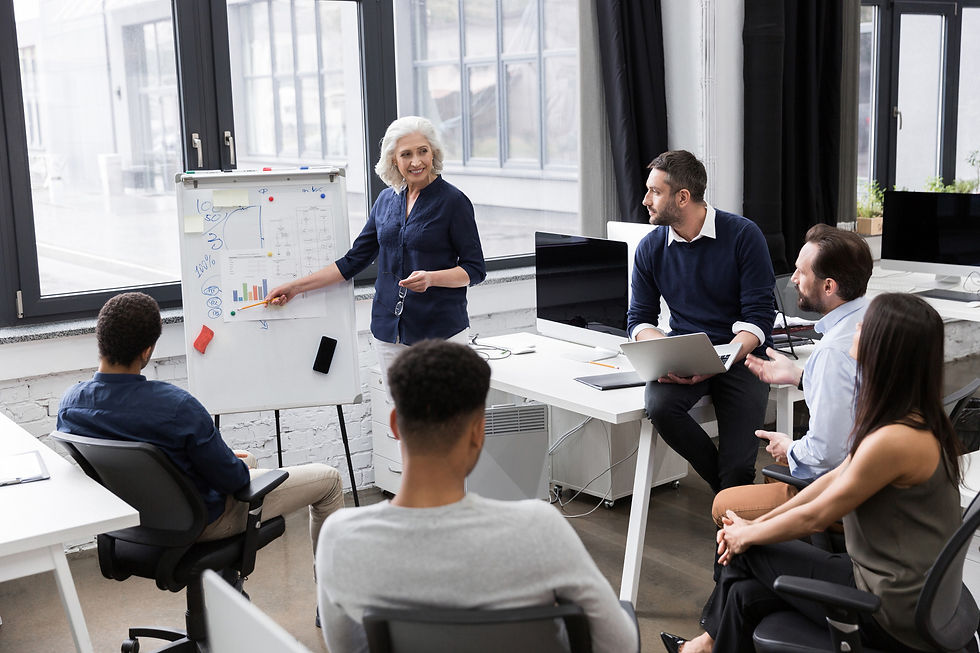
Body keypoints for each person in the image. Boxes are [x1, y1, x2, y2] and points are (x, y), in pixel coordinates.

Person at [660, 293, 964, 653]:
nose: (857, 326)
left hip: (890, 610)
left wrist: (747, 535)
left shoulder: (895, 439)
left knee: (746, 552)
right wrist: (753, 526)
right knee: (743, 595)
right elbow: (827, 484)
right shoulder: (906, 418)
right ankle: (704, 648)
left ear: (884, 347)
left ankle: (702, 647)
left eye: (866, 325)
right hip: (894, 587)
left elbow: (817, 515)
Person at [315, 340, 639, 653]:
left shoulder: (341, 538)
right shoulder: (539, 529)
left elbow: (350, 648)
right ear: (478, 431)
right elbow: (620, 645)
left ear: (395, 424)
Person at [57, 292, 344, 580]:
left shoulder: (70, 405)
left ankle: (228, 592)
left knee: (248, 458)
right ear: (146, 351)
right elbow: (235, 481)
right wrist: (230, 463)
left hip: (134, 522)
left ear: (101, 341)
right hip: (199, 524)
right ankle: (336, 598)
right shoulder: (175, 406)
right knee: (329, 481)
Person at [266, 115, 487, 380]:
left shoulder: (454, 202)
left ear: (433, 153)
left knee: (440, 408)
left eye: (423, 151)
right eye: (406, 154)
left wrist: (431, 278)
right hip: (388, 333)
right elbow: (353, 261)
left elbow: (475, 270)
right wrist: (295, 287)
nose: (416, 162)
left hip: (440, 334)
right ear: (394, 159)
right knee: (398, 407)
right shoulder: (385, 200)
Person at [628, 150, 775, 492]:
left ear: (683, 197)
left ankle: (732, 488)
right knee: (659, 407)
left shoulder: (743, 235)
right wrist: (663, 352)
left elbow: (758, 319)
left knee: (739, 467)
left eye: (655, 192)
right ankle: (729, 491)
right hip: (686, 352)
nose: (646, 200)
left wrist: (718, 360)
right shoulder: (650, 248)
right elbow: (639, 320)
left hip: (741, 356)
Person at [711, 224, 872, 525]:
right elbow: (855, 396)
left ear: (829, 286)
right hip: (872, 477)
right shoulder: (872, 319)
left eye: (802, 272)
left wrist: (789, 447)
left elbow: (826, 454)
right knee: (773, 480)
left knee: (724, 504)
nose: (794, 279)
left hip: (845, 495)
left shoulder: (833, 352)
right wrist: (799, 376)